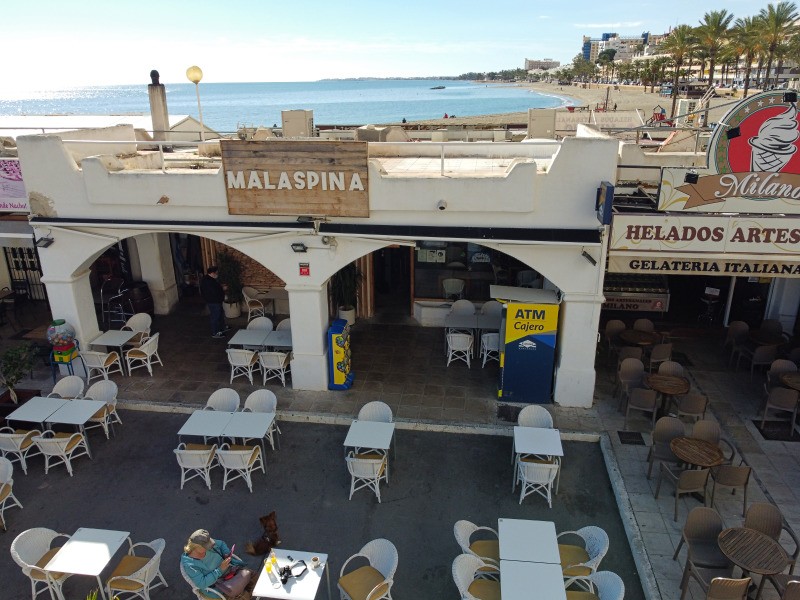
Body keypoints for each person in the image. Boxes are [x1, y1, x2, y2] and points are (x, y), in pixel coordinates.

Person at [181, 529, 255, 599]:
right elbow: (202, 583)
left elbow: (221, 544)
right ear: (196, 547)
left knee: (255, 579)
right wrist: (219, 570)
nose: (210, 547)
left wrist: (226, 553)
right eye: (207, 547)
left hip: (232, 571)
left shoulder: (206, 543)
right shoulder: (190, 564)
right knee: (244, 596)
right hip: (220, 586)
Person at [200, 266, 228, 338]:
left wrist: (220, 287)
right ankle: (215, 333)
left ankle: (222, 328)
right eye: (216, 273)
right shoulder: (208, 281)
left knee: (220, 314)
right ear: (212, 273)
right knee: (215, 317)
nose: (217, 274)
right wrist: (222, 289)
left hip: (215, 301)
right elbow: (214, 292)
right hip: (214, 302)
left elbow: (215, 288)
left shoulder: (208, 279)